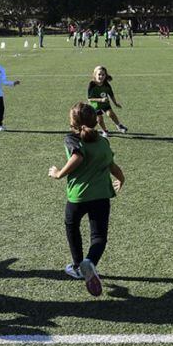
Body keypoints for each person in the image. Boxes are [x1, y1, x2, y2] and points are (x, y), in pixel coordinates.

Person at [48, 102, 125, 297]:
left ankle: (77, 265)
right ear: (96, 121)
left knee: (71, 226)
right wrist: (121, 178)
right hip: (101, 195)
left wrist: (58, 174)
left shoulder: (72, 139)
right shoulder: (103, 141)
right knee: (98, 236)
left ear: (73, 122)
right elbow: (112, 165)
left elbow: (78, 157)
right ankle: (89, 262)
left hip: (78, 196)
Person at [87, 65, 128, 137]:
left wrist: (115, 103)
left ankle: (119, 125)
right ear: (95, 75)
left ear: (105, 76)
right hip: (95, 105)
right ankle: (105, 131)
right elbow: (89, 99)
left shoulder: (106, 84)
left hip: (105, 103)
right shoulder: (92, 84)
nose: (101, 76)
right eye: (99, 74)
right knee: (99, 118)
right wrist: (101, 100)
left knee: (110, 113)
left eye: (103, 75)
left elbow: (111, 94)